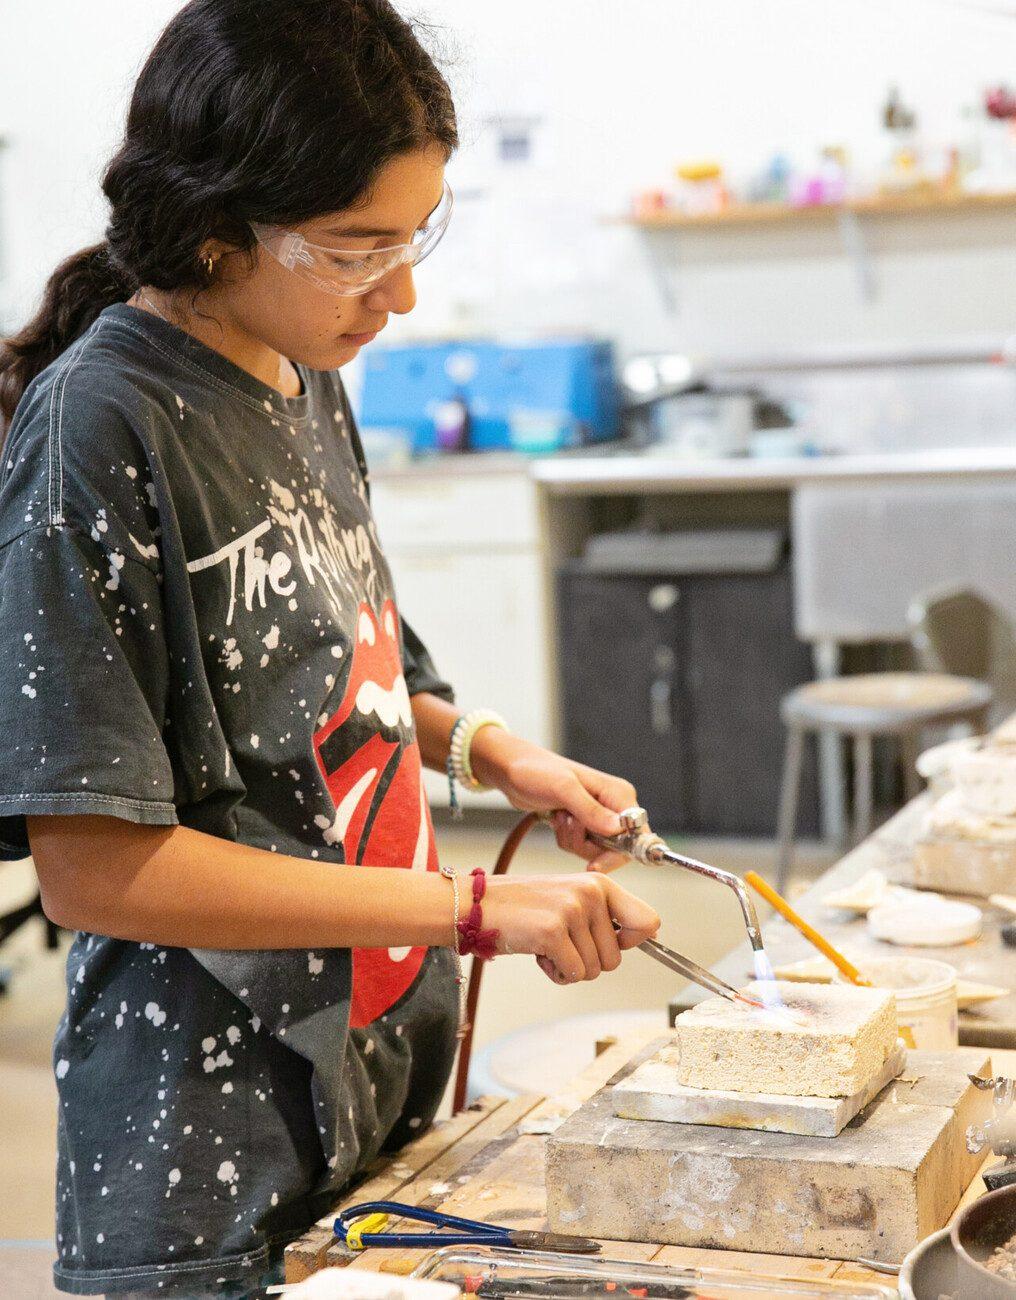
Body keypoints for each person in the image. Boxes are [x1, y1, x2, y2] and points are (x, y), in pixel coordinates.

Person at [0, 2, 660, 1295]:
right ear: (212, 230)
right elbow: (94, 870)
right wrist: (478, 906)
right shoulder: (102, 429)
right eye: (357, 251)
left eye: (414, 239)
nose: (400, 296)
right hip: (204, 1136)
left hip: (367, 1067)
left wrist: (497, 753)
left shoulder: (303, 367)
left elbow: (345, 662)